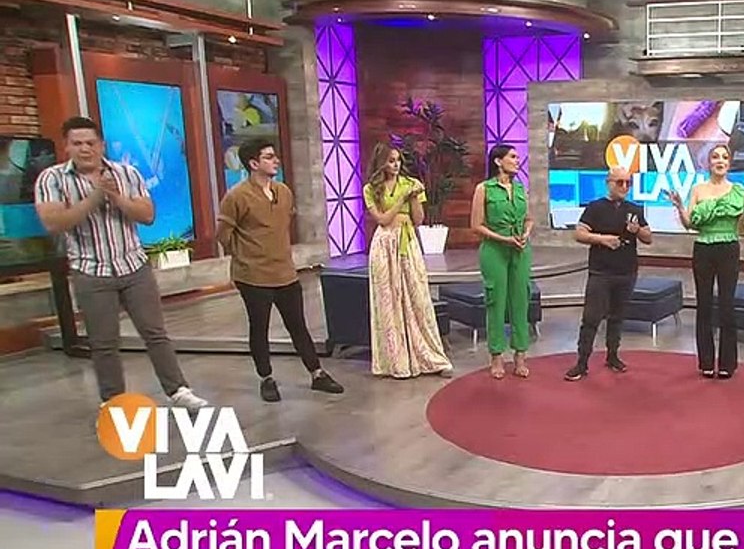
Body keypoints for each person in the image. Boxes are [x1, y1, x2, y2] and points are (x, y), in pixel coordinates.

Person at [33, 116, 207, 410]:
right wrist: (95, 197)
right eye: (77, 143)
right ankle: (113, 400)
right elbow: (54, 222)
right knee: (104, 342)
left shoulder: (127, 173)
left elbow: (147, 215)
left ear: (101, 145)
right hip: (91, 271)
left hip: (133, 267)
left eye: (90, 143)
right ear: (67, 147)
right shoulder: (52, 179)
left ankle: (178, 390)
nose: (85, 149)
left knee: (155, 333)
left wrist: (115, 196)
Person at [217, 138, 344, 402]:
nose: (275, 160)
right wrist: (247, 256)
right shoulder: (237, 196)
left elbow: (282, 223)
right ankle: (266, 378)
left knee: (298, 325)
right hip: (253, 276)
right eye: (268, 157)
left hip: (285, 273)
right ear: (253, 163)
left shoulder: (284, 192)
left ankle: (317, 374)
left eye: (274, 156)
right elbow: (224, 235)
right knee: (259, 328)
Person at [361, 143, 453, 379]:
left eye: (398, 160)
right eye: (391, 160)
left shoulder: (411, 184)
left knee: (417, 297)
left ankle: (430, 357)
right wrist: (401, 197)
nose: (396, 165)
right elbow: (382, 220)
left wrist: (412, 198)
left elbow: (419, 219)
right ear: (382, 162)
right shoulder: (370, 189)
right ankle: (395, 361)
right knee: (388, 300)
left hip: (408, 242)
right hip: (384, 245)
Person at [668, 144, 744, 379]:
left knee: (727, 305)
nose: (720, 161)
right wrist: (679, 207)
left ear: (729, 163)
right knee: (704, 304)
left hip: (728, 248)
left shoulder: (739, 191)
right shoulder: (698, 190)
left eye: (724, 157)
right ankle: (706, 362)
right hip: (703, 249)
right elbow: (690, 224)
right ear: (708, 163)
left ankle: (727, 363)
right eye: (715, 157)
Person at [565, 167, 652, 380]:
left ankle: (613, 356)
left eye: (628, 183)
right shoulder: (595, 207)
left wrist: (638, 231)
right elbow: (579, 233)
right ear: (608, 183)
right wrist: (602, 239)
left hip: (626, 271)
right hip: (601, 272)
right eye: (619, 182)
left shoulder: (635, 209)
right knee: (592, 318)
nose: (624, 187)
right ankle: (582, 362)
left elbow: (648, 237)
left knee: (617, 317)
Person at [471, 144, 533, 379]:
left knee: (521, 300)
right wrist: (504, 239)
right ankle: (496, 356)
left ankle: (520, 355)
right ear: (498, 161)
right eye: (513, 157)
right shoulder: (484, 189)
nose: (517, 161)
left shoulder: (521, 188)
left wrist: (525, 233)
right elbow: (476, 226)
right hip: (495, 250)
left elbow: (529, 219)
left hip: (520, 250)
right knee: (496, 301)